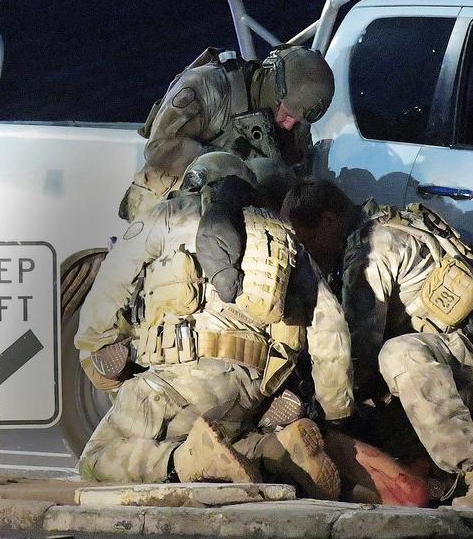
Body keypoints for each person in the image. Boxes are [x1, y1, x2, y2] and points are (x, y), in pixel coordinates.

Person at [75, 153, 352, 499]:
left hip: (179, 379)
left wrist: (105, 369)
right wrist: (334, 412)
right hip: (254, 392)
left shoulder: (167, 216)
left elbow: (103, 304)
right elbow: (331, 327)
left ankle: (188, 462)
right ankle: (275, 450)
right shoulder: (283, 236)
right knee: (229, 436)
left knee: (96, 458)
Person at [281, 178, 473, 511]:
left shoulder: (370, 254)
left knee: (396, 357)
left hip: (464, 368)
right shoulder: (383, 220)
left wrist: (317, 402)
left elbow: (358, 354)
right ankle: (423, 468)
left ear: (329, 221)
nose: (309, 251)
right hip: (469, 355)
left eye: (307, 239)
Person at [121, 44, 335, 221]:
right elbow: (159, 148)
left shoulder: (297, 116)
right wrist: (234, 166)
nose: (289, 125)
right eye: (287, 114)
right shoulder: (208, 86)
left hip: (230, 212)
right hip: (166, 205)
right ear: (274, 88)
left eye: (297, 120)